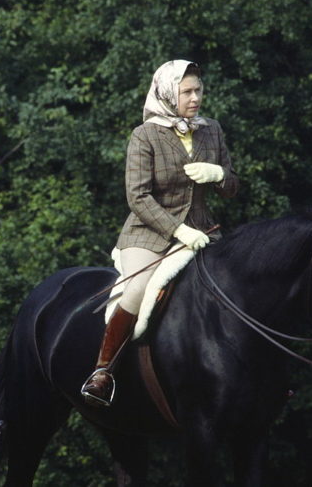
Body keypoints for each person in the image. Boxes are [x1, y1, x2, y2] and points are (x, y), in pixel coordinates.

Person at [81, 60, 239, 407]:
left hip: (201, 230)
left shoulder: (211, 129)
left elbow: (232, 187)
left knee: (239, 283)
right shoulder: (145, 135)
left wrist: (220, 175)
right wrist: (177, 229)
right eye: (187, 92)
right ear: (169, 93)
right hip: (149, 234)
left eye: (198, 90)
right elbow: (137, 196)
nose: (195, 97)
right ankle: (103, 371)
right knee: (138, 288)